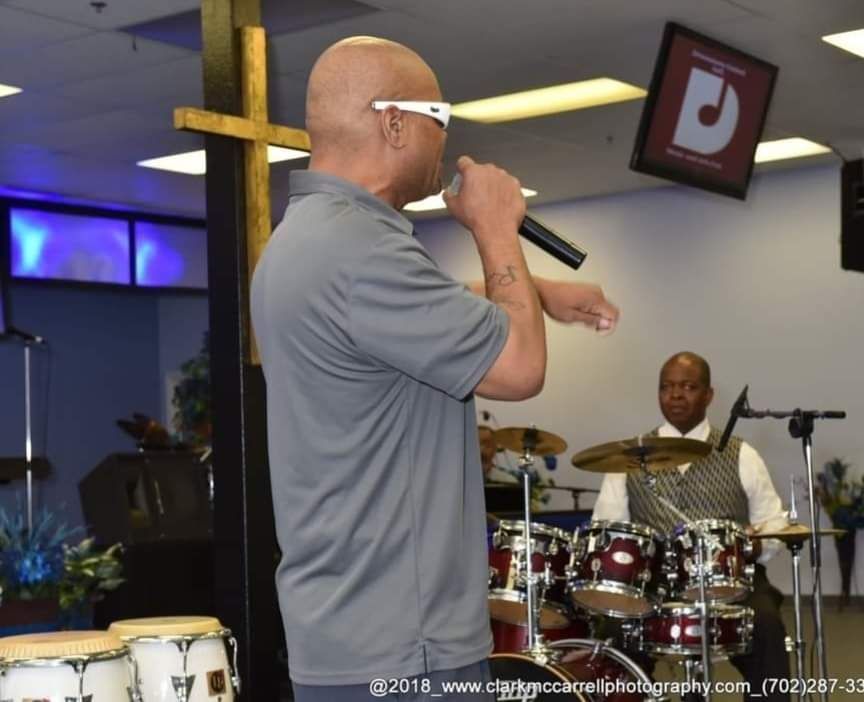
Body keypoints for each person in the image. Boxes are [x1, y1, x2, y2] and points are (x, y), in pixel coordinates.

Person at [250, 36, 619, 702]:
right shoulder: (359, 248)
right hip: (406, 643)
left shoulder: (307, 238)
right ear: (392, 122)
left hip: (347, 637)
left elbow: (398, 321)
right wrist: (495, 227)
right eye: (437, 118)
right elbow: (518, 369)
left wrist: (537, 291)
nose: (445, 140)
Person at [592, 351, 790, 702]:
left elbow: (773, 522)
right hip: (652, 584)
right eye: (666, 387)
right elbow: (607, 530)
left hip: (733, 579)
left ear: (708, 395)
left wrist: (753, 545)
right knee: (612, 634)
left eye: (688, 386)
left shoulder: (741, 454)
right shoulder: (628, 458)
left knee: (767, 628)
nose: (676, 395)